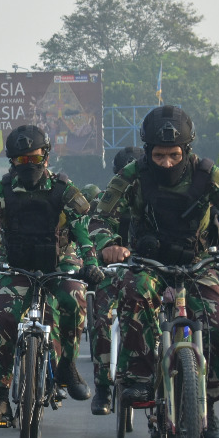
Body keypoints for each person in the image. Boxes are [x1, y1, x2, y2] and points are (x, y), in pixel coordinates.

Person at [93, 106, 219, 438]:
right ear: (147, 150)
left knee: (218, 326)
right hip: (148, 262)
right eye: (158, 155)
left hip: (199, 263)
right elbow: (100, 219)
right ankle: (139, 377)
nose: (166, 163)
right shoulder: (132, 174)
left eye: (174, 155)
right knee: (135, 293)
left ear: (187, 149)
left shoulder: (209, 175)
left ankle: (208, 407)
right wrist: (108, 244)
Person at [0, 124, 102, 425]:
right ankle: (1, 396)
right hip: (14, 261)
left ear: (45, 156)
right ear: (12, 161)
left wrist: (91, 262)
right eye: (20, 160)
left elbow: (83, 232)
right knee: (4, 313)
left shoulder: (64, 191)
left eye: (33, 159)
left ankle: (67, 366)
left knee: (73, 298)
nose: (27, 166)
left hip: (59, 261)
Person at [87, 146, 143, 415]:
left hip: (150, 269)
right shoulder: (109, 197)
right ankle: (102, 389)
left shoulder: (158, 194)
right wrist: (108, 246)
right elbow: (95, 225)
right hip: (114, 270)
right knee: (103, 323)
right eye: (125, 172)